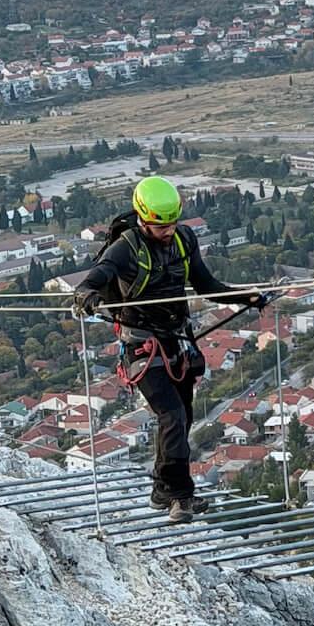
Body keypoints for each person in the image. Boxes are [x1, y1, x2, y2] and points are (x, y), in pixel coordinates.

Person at [72, 176, 266, 523]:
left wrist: (246, 296)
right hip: (141, 344)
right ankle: (180, 496)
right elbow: (92, 281)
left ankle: (162, 488)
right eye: (160, 226)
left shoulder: (183, 239)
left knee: (182, 419)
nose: (168, 230)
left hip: (177, 341)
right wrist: (87, 297)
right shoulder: (125, 248)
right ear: (143, 218)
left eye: (173, 223)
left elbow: (206, 285)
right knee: (171, 416)